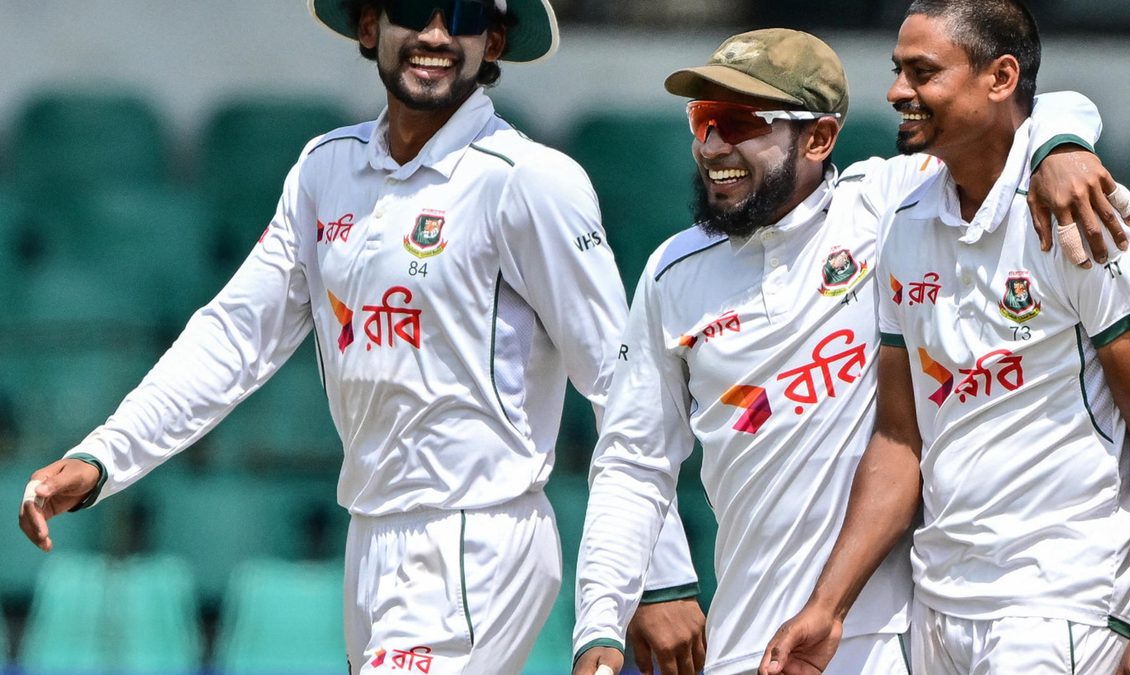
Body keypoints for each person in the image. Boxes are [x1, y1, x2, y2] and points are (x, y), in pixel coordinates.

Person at [14, 1, 698, 672]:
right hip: (371, 536)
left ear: (493, 41)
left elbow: (620, 376)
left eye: (462, 15)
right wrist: (106, 455)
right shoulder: (324, 171)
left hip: (476, 535)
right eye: (413, 8)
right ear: (370, 25)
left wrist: (658, 573)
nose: (435, 33)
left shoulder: (530, 182)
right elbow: (234, 337)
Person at [572, 26, 1130, 675]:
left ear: (819, 138)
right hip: (747, 643)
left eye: (738, 121)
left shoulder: (892, 206)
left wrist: (1060, 143)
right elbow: (633, 465)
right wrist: (599, 622)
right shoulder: (674, 270)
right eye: (703, 120)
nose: (712, 144)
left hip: (888, 638)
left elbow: (1023, 115)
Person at [761, 2, 1130, 674]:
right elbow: (902, 436)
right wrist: (829, 603)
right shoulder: (904, 224)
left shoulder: (1092, 215)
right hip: (940, 607)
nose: (897, 91)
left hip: (1059, 602)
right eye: (898, 70)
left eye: (923, 72)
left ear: (1000, 78)